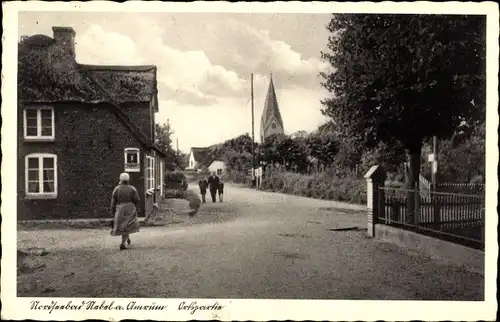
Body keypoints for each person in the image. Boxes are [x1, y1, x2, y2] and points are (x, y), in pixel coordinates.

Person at [110, 173, 141, 250]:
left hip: (120, 208)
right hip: (130, 208)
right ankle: (123, 243)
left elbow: (113, 202)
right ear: (128, 180)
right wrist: (137, 208)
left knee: (123, 225)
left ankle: (126, 238)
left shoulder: (116, 189)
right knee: (127, 224)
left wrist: (112, 211)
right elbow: (137, 200)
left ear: (120, 180)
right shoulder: (132, 189)